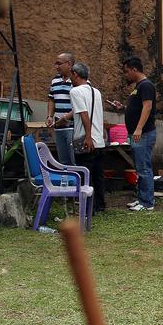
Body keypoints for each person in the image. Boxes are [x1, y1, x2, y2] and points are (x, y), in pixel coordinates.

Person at [109, 57, 156, 212]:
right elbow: (136, 108)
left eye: (127, 71)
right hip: (137, 133)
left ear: (134, 69)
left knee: (144, 168)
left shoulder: (146, 85)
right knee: (139, 167)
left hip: (143, 134)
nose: (126, 75)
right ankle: (142, 198)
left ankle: (147, 203)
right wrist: (123, 107)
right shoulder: (138, 87)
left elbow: (147, 107)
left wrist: (139, 128)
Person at [69, 62, 106, 214]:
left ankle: (87, 208)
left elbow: (84, 114)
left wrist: (88, 137)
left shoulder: (75, 91)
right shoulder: (95, 91)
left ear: (75, 74)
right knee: (98, 176)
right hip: (99, 141)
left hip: (86, 141)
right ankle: (100, 205)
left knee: (85, 177)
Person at [46, 52, 76, 166]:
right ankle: (67, 183)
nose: (56, 67)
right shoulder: (55, 80)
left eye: (59, 64)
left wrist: (66, 117)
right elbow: (51, 99)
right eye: (55, 64)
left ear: (69, 64)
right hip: (58, 128)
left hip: (73, 128)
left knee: (75, 161)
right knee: (63, 162)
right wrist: (50, 116)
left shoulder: (78, 80)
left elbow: (82, 106)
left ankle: (77, 183)